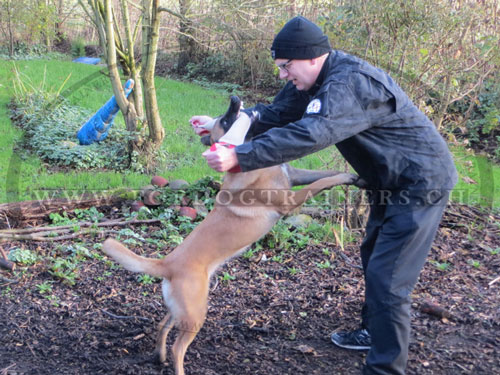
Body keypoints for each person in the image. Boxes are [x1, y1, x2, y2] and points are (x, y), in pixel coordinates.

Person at [192, 15, 458, 375]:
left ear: (312, 57)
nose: (283, 75)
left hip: (421, 182)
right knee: (374, 257)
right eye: (280, 68)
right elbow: (276, 113)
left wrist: (240, 156)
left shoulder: (350, 84)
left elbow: (312, 133)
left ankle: (385, 369)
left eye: (286, 67)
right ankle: (373, 332)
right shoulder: (312, 82)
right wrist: (221, 126)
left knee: (389, 277)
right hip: (388, 181)